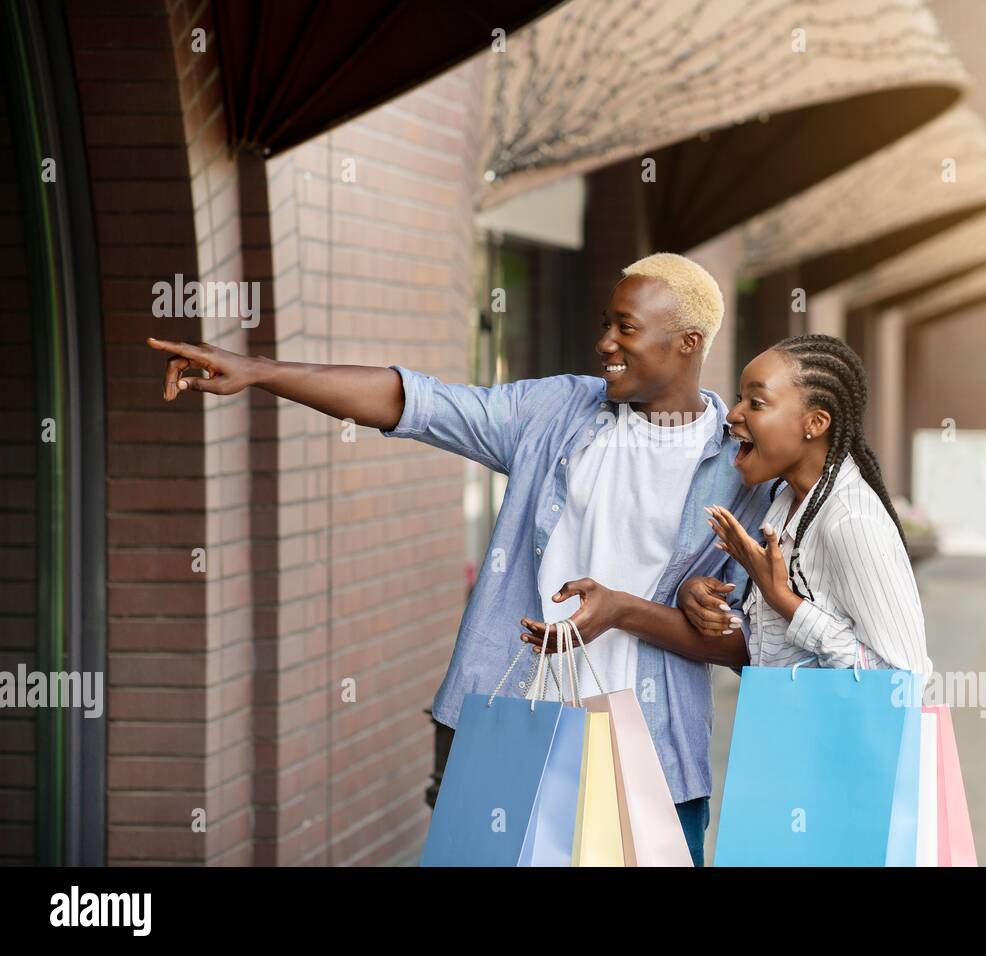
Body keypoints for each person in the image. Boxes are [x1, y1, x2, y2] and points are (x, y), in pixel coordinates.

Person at [147, 253, 770, 866]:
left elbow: (748, 646)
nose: (606, 341)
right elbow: (416, 402)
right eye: (605, 323)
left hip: (651, 752)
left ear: (688, 343)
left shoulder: (741, 470)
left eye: (626, 327)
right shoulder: (557, 412)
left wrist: (628, 613)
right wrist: (258, 372)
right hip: (516, 727)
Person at [678, 334, 931, 676]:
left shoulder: (850, 521)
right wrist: (697, 597)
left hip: (835, 731)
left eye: (756, 403)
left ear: (815, 423)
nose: (732, 415)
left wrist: (784, 601)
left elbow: (904, 677)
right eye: (740, 399)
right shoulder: (785, 501)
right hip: (784, 725)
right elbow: (773, 646)